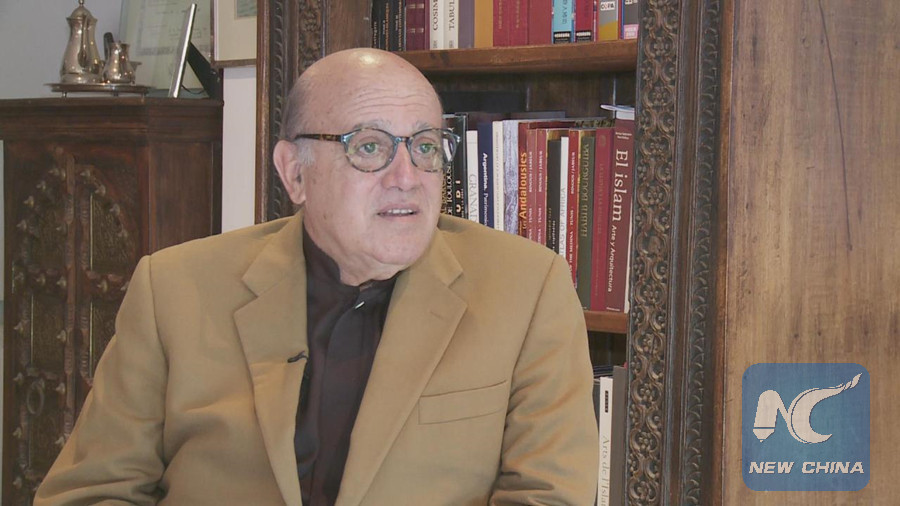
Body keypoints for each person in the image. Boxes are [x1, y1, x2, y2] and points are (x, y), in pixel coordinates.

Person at [35, 48, 598, 505]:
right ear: (294, 173)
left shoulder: (527, 289)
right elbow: (91, 491)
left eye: (426, 147)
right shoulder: (174, 289)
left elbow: (549, 496)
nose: (408, 177)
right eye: (370, 147)